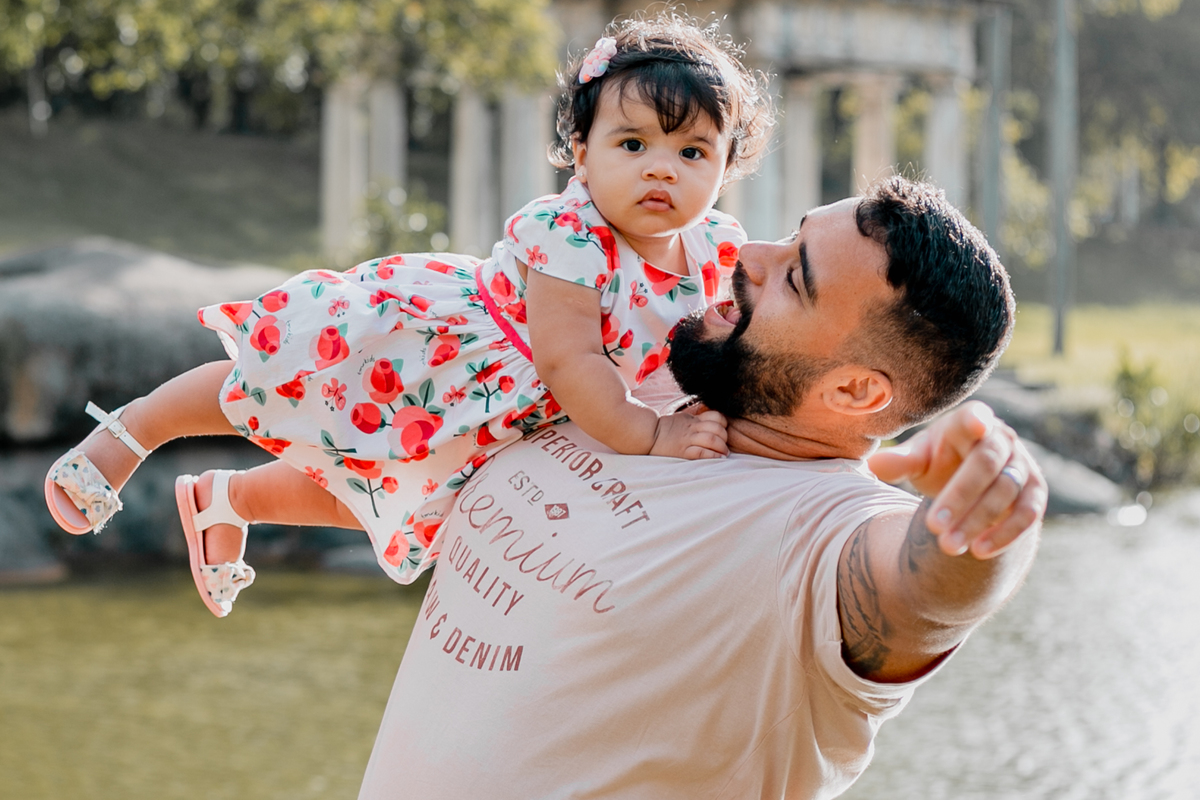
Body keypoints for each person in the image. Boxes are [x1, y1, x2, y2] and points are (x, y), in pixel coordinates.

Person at [42, 15, 774, 616]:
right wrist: (654, 435)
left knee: (381, 498)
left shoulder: (715, 246)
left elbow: (722, 345)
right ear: (581, 156)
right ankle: (134, 429)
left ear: (726, 166)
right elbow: (568, 359)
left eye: (692, 151)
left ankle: (224, 501)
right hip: (445, 357)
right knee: (273, 384)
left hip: (517, 422)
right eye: (634, 144)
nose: (661, 168)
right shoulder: (574, 235)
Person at [352, 177, 1048, 799]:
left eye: (793, 279)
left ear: (856, 389)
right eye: (790, 236)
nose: (750, 256)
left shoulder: (823, 532)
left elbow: (926, 598)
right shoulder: (619, 386)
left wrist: (987, 528)